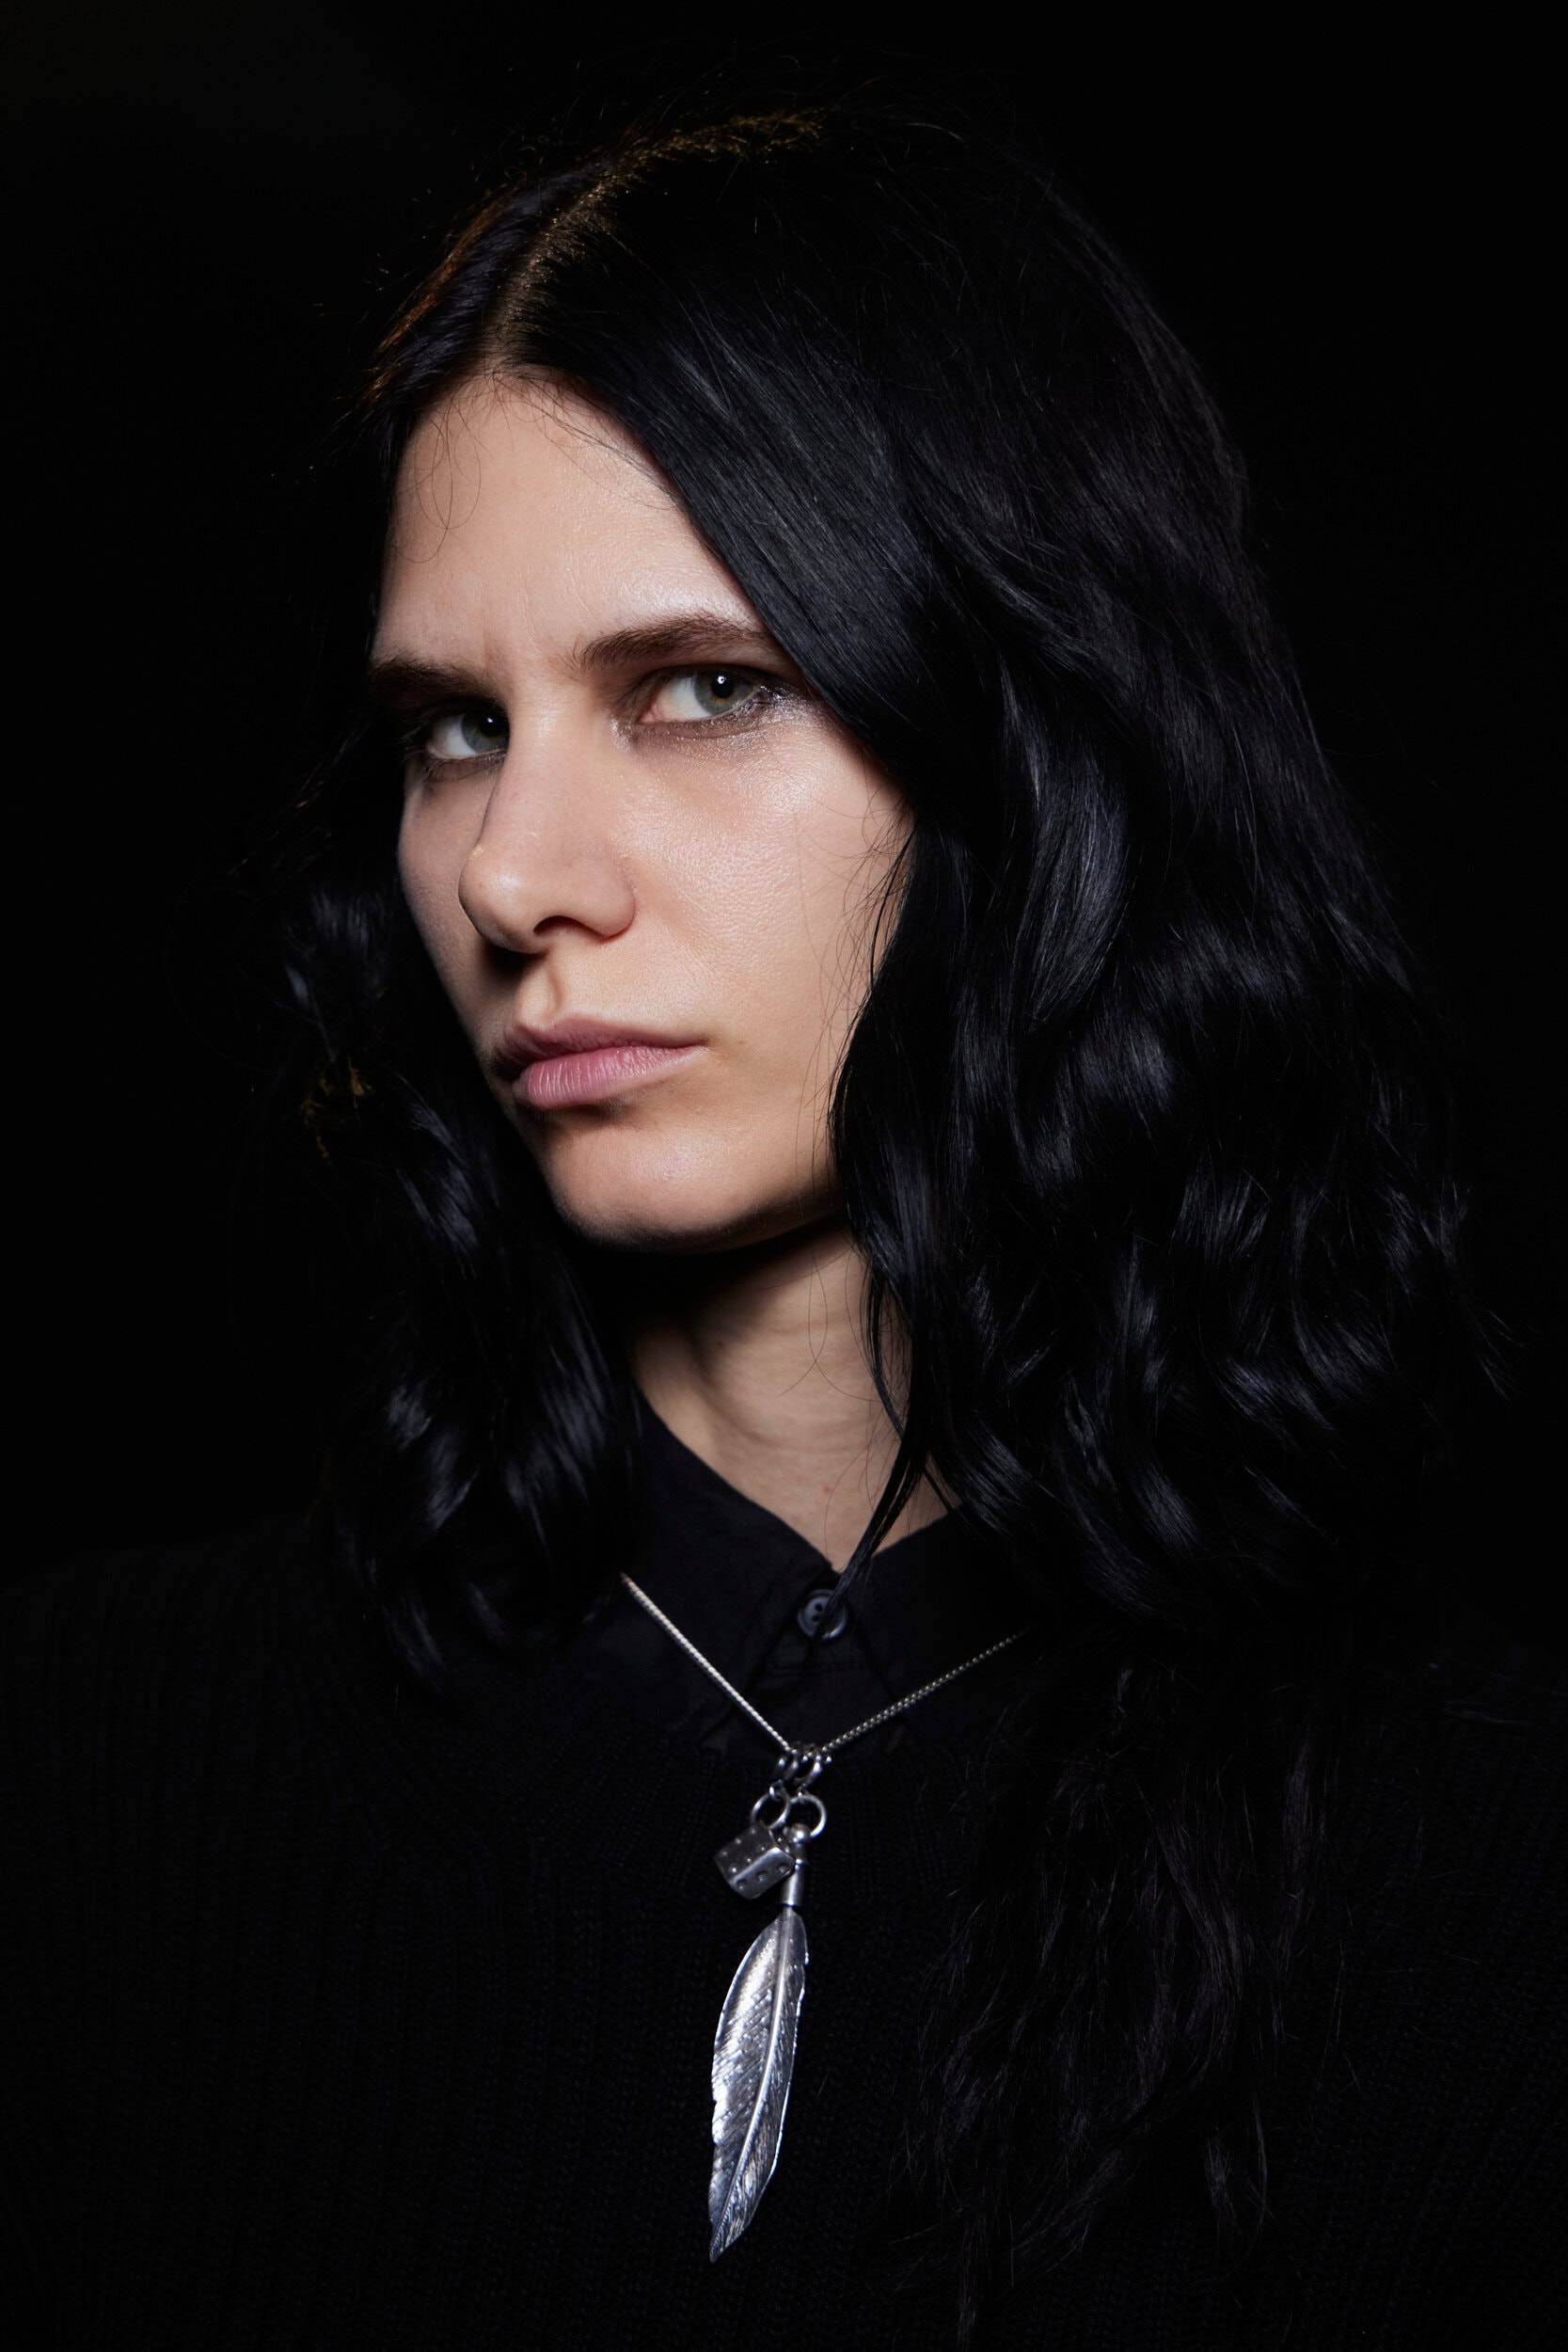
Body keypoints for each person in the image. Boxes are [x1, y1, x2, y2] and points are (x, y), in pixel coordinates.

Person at [4, 100, 1563, 2350]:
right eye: (452, 728)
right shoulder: (92, 1758)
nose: (516, 871)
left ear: (1031, 735)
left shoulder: (1486, 1867)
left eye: (705, 686)